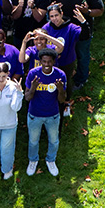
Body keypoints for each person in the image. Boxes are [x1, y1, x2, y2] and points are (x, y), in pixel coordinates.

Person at [24, 47, 66, 177]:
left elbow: (62, 100)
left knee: (53, 141)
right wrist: (33, 88)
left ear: (54, 61)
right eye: (44, 61)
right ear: (40, 61)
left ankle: (51, 160)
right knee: (33, 141)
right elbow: (27, 97)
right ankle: (33, 160)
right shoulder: (33, 74)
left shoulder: (60, 75)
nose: (46, 65)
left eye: (49, 62)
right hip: (35, 115)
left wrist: (60, 89)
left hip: (52, 115)